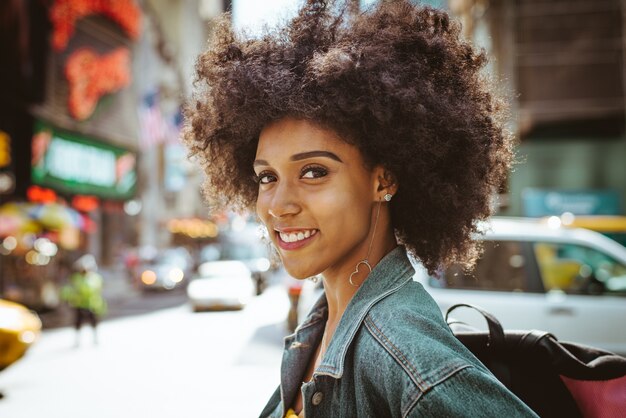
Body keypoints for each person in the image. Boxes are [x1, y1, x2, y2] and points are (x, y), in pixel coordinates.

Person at [183, 1, 538, 416]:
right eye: (267, 177)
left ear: (383, 181)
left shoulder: (405, 352)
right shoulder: (319, 326)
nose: (278, 205)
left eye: (314, 172)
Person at [61, 254, 106, 346]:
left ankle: (95, 339)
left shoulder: (95, 278)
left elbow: (97, 289)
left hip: (92, 304)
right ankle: (77, 340)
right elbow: (69, 290)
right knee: (78, 323)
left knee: (94, 322)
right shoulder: (76, 278)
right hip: (80, 305)